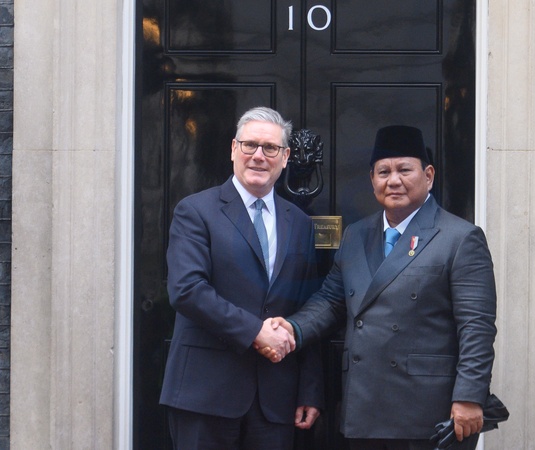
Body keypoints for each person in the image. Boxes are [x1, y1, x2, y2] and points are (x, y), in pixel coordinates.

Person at [264, 125, 497, 450]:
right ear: (372, 179)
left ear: (428, 175)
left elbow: (477, 326)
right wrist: (292, 328)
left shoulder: (460, 238)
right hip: (365, 407)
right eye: (383, 172)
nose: (393, 180)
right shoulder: (356, 235)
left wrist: (470, 396)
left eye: (404, 170)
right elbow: (331, 301)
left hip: (429, 412)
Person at [160, 106, 323, 450]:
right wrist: (255, 332)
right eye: (250, 145)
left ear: (286, 157)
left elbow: (309, 306)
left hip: (275, 400)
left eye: (271, 148)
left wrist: (310, 389)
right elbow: (187, 290)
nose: (258, 156)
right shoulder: (196, 211)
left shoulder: (300, 223)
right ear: (234, 149)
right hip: (205, 394)